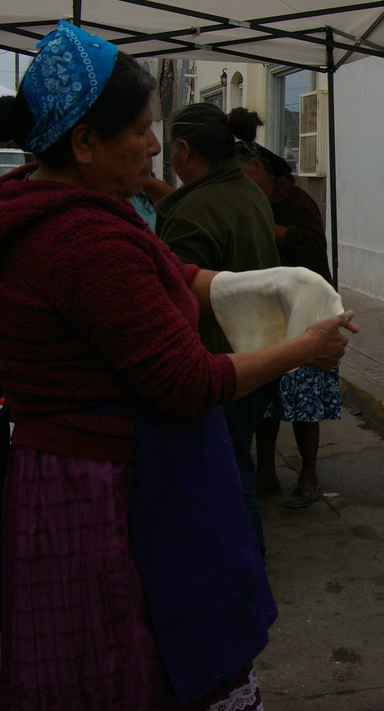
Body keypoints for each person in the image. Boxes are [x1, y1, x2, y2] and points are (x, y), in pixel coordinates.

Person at [0, 21, 357, 710]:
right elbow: (187, 382)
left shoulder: (50, 207)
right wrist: (302, 351)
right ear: (84, 141)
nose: (155, 147)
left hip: (68, 475)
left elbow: (166, 271)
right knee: (127, 666)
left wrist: (246, 286)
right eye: (140, 131)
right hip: (107, 496)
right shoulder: (83, 241)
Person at [152, 104, 281, 552]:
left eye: (167, 149)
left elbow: (176, 299)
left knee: (226, 468)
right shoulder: (246, 190)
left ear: (183, 149)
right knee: (234, 460)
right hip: (255, 349)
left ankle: (247, 560)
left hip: (219, 359)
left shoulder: (193, 211)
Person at [236, 140, 341, 509]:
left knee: (302, 398)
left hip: (305, 312)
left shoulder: (295, 200)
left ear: (258, 166)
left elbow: (313, 244)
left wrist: (272, 227)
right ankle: (265, 472)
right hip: (265, 314)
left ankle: (308, 475)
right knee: (264, 396)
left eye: (243, 168)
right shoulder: (243, 200)